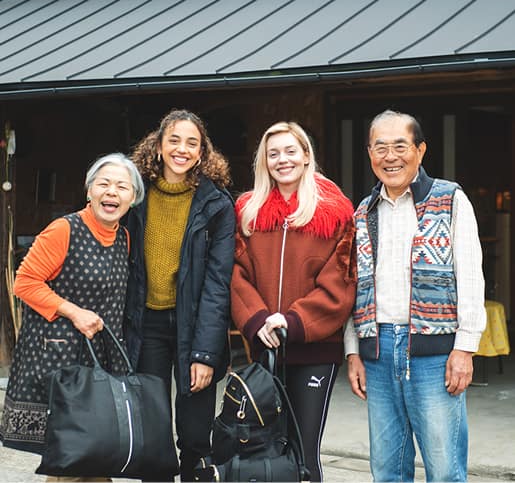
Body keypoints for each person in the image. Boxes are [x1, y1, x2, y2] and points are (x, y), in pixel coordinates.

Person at [344, 109, 487, 482]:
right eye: (380, 148)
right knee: (387, 469)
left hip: (434, 353)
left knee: (443, 469)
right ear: (370, 154)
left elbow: (471, 276)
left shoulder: (450, 199)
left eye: (400, 146)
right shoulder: (364, 211)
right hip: (377, 352)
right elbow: (354, 284)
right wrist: (353, 351)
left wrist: (465, 347)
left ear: (420, 150)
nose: (390, 157)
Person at [0, 153, 145, 479]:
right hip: (61, 360)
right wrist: (74, 312)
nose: (112, 192)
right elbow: (24, 282)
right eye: (103, 184)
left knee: (99, 451)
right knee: (73, 456)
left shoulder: (124, 236)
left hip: (101, 363)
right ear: (89, 191)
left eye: (122, 186)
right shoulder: (63, 230)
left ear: (133, 198)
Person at [230, 121, 356, 482]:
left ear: (305, 156)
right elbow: (236, 275)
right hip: (265, 349)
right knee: (264, 448)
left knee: (304, 451)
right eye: (273, 154)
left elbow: (341, 281)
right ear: (264, 162)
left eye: (290, 151)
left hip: (314, 349)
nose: (282, 160)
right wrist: (257, 320)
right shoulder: (248, 211)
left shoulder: (335, 211)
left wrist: (292, 320)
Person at [124, 108, 235, 482]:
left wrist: (205, 353)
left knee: (194, 436)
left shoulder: (217, 205)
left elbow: (218, 284)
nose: (182, 150)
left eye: (192, 143)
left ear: (203, 153)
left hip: (195, 326)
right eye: (174, 140)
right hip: (147, 325)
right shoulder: (133, 197)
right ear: (158, 146)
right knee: (152, 434)